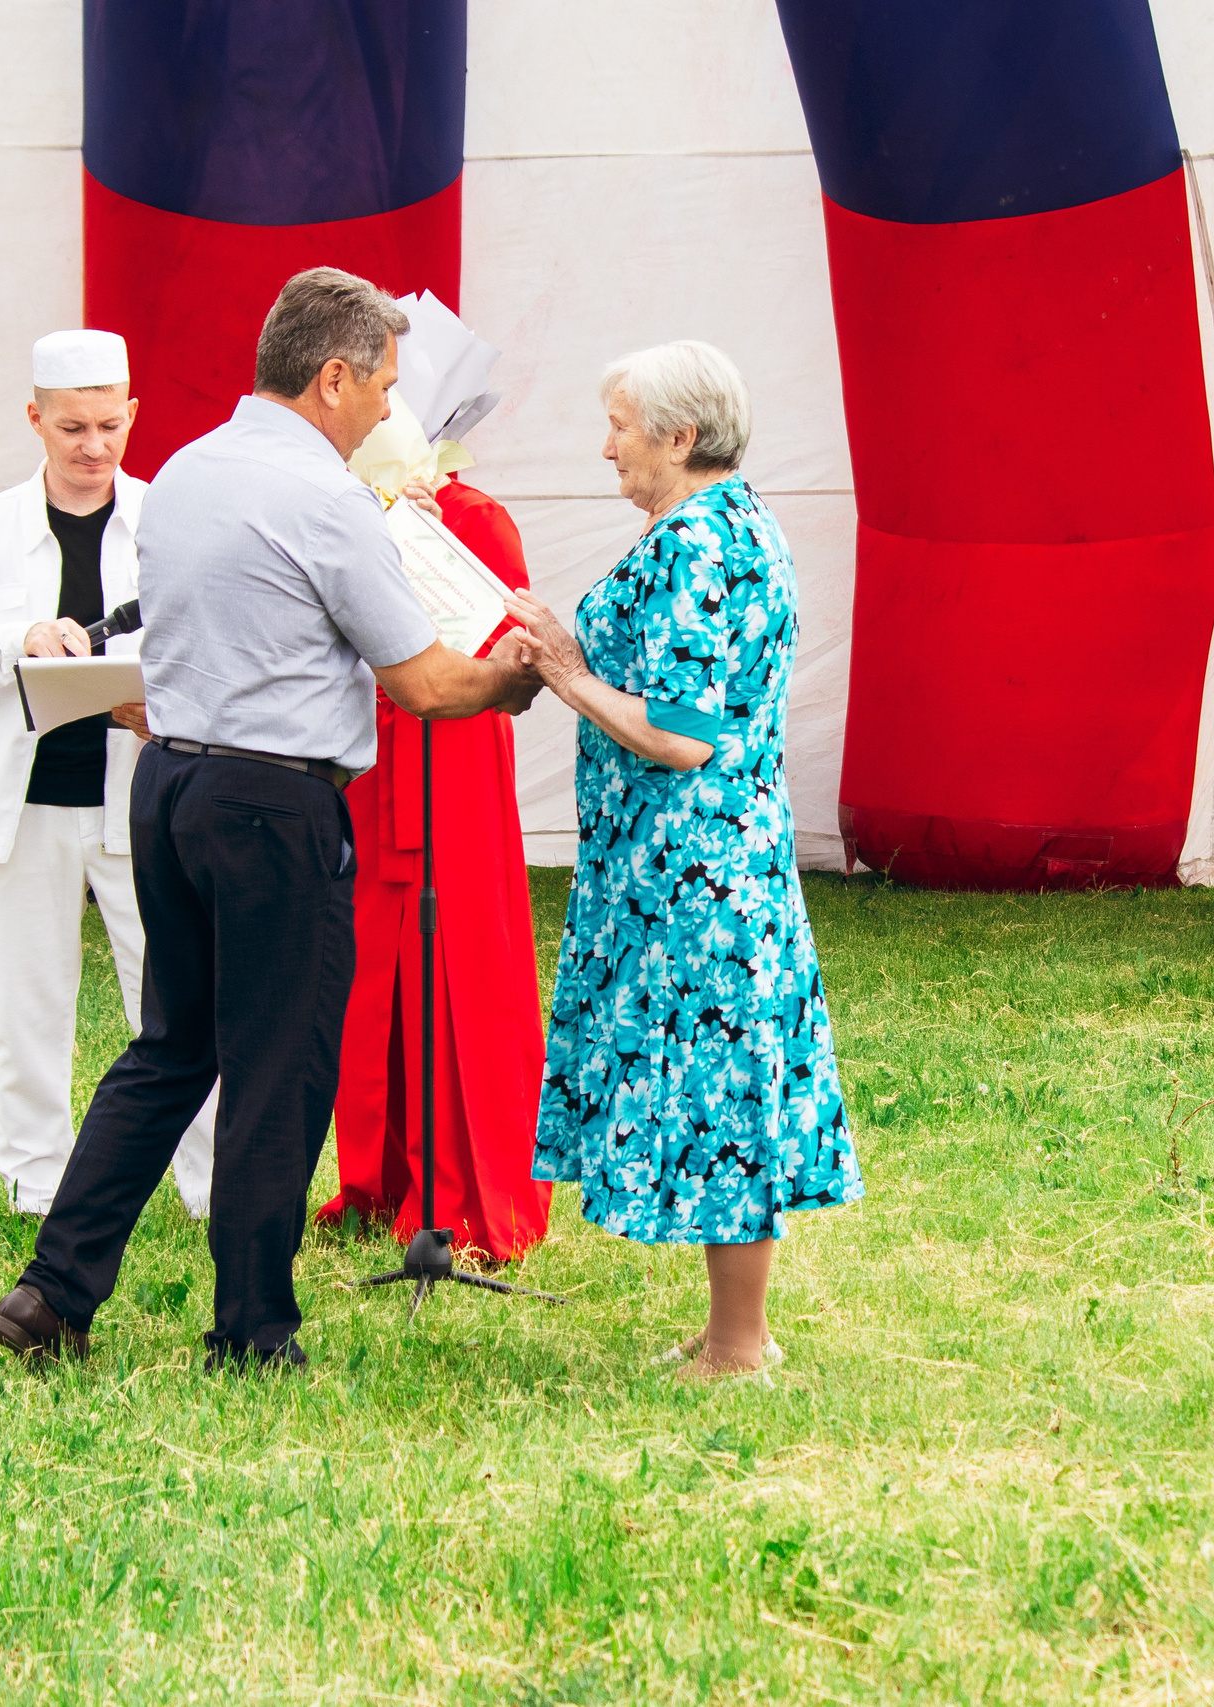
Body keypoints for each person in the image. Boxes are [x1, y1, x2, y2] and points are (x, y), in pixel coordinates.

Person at [0, 268, 537, 1370]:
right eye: (382, 383)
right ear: (332, 378)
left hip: (171, 787)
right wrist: (516, 676)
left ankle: (52, 1292)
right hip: (274, 805)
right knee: (279, 1070)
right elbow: (425, 681)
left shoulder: (186, 471)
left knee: (170, 1050)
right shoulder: (328, 499)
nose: (388, 406)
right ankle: (251, 1327)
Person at [504, 341, 862, 1381]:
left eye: (619, 426)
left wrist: (565, 672)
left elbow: (680, 735)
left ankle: (740, 1347)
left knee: (722, 1092)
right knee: (720, 1085)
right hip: (697, 861)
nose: (605, 446)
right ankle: (728, 1330)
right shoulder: (723, 524)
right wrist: (574, 649)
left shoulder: (697, 545)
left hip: (695, 873)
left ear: (680, 436)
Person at [0, 329, 214, 1221]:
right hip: (25, 804)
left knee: (175, 998)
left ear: (133, 415)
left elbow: (207, 638)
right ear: (35, 419)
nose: (93, 447)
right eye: (73, 428)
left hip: (144, 797)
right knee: (28, 1004)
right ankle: (35, 1186)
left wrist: (158, 698)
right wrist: (22, 639)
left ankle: (208, 1186)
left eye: (110, 426)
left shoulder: (170, 516)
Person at [318, 397, 552, 1262]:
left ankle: (466, 1187)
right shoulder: (332, 513)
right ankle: (377, 1174)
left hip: (450, 767)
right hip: (364, 766)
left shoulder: (474, 518)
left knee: (459, 964)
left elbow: (508, 650)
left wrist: (426, 546)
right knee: (366, 980)